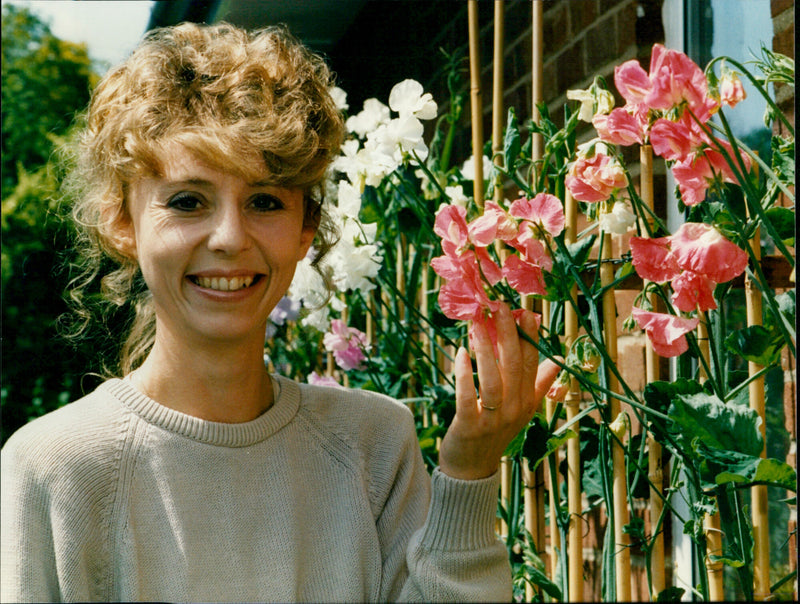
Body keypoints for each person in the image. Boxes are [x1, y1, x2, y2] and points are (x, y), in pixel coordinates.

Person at [1, 22, 559, 603]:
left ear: (306, 228)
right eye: (187, 201)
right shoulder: (53, 468)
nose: (229, 237)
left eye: (264, 201)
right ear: (121, 222)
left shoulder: (373, 445)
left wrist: (469, 471)